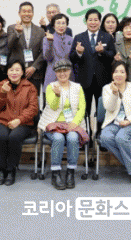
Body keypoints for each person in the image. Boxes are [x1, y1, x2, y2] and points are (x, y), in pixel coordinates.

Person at [38, 60, 88, 190]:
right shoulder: (51, 87)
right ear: (55, 73)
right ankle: (56, 173)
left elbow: (82, 108)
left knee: (72, 137)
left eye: (65, 70)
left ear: (69, 71)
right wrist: (57, 95)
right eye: (59, 71)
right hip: (53, 123)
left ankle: (70, 172)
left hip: (72, 123)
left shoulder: (77, 87)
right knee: (58, 138)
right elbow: (53, 106)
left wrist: (74, 123)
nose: (62, 74)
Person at [0, 60, 39, 186]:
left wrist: (19, 120)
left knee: (14, 136)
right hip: (3, 121)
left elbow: (33, 108)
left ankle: (11, 170)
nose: (14, 73)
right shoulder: (0, 85)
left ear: (22, 72)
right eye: (11, 70)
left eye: (17, 70)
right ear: (7, 72)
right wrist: (2, 93)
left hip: (23, 123)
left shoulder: (30, 87)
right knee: (1, 136)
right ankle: (1, 170)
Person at [100, 61, 131, 184]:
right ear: (112, 74)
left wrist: (129, 121)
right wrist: (114, 93)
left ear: (126, 74)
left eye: (122, 72)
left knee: (121, 138)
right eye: (116, 72)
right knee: (105, 137)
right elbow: (109, 108)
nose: (119, 74)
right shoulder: (107, 88)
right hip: (114, 123)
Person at [70, 9, 116, 119]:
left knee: (102, 111)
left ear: (100, 22)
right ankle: (86, 129)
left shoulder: (107, 37)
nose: (93, 22)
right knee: (84, 111)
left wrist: (103, 51)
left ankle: (100, 129)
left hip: (103, 80)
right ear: (86, 21)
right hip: (84, 80)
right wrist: (78, 53)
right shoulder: (79, 37)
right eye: (90, 20)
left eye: (96, 20)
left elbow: (112, 55)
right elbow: (72, 58)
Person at [7, 2, 46, 93]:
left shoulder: (40, 31)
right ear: (19, 13)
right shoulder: (12, 28)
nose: (27, 14)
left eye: (29, 11)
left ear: (33, 13)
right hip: (16, 73)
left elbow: (43, 52)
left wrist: (34, 67)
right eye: (24, 11)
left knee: (34, 99)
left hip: (34, 74)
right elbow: (9, 46)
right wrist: (17, 33)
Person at [43, 13, 74, 85]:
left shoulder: (71, 39)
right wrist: (50, 42)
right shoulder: (47, 38)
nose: (61, 26)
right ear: (53, 25)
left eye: (63, 23)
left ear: (66, 25)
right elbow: (48, 58)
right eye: (58, 23)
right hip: (53, 75)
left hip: (68, 76)